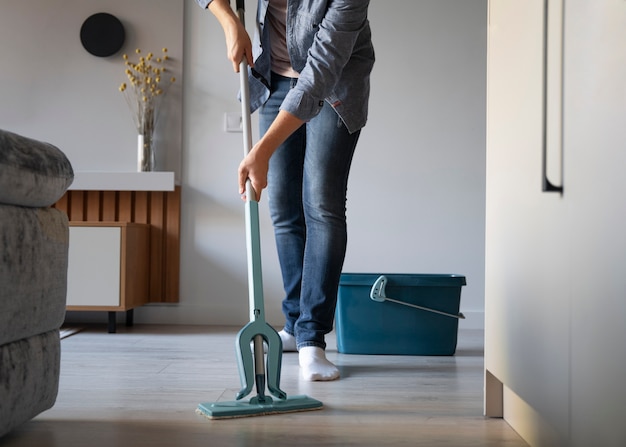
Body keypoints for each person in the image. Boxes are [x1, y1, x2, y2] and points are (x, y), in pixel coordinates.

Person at [196, 0, 374, 381]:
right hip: (274, 78)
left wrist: (261, 152)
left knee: (322, 205)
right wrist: (229, 20)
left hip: (333, 85)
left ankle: (313, 339)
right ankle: (294, 325)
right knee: (282, 208)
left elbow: (320, 73)